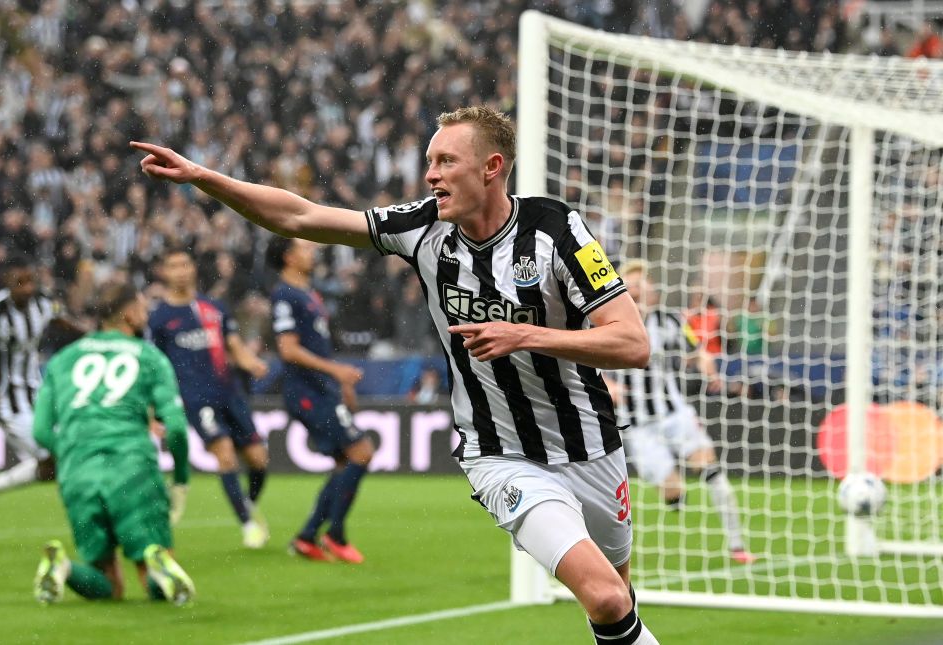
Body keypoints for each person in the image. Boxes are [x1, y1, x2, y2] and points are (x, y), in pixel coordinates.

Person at [132, 106, 659, 644]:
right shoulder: (423, 227)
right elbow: (300, 217)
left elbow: (632, 343)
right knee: (607, 597)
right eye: (429, 161)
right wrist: (205, 178)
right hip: (501, 456)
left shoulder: (555, 228)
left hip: (593, 446)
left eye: (446, 161)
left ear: (491, 167)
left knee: (618, 597)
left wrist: (525, 334)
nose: (430, 174)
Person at [31, 282, 195, 605]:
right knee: (153, 575)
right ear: (130, 312)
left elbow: (39, 430)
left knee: (107, 586)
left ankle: (62, 566)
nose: (146, 310)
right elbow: (175, 428)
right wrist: (181, 479)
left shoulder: (63, 359)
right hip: (132, 468)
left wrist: (71, 453)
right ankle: (156, 562)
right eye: (142, 304)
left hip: (79, 474)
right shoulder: (150, 358)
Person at [605, 262, 754, 565]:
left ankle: (738, 546)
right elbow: (586, 366)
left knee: (714, 474)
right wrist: (609, 385)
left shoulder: (668, 321)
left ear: (652, 292)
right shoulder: (607, 324)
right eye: (631, 288)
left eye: (642, 288)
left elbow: (695, 348)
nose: (637, 293)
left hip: (674, 416)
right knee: (673, 490)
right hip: (638, 426)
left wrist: (704, 362)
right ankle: (674, 497)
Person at [148, 247, 272, 549]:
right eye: (173, 265)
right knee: (225, 453)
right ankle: (247, 525)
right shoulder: (159, 319)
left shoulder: (213, 308)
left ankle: (247, 504)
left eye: (185, 263)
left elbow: (234, 345)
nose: (180, 270)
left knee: (259, 460)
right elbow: (153, 367)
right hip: (195, 398)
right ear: (165, 273)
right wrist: (152, 412)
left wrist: (250, 362)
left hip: (230, 393)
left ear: (192, 269)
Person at [266, 236, 373, 564]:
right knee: (360, 452)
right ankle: (334, 534)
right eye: (304, 247)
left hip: (322, 389)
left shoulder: (308, 293)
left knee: (346, 462)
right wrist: (335, 371)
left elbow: (317, 346)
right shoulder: (285, 295)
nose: (313, 251)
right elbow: (288, 349)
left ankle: (308, 536)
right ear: (288, 257)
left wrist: (339, 383)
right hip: (305, 392)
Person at [0, 254, 72, 523]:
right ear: (8, 283)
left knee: (52, 465)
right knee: (55, 458)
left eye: (30, 282)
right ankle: (86, 515)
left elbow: (60, 320)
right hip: (5, 401)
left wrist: (93, 334)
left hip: (37, 392)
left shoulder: (42, 301)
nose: (27, 289)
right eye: (20, 283)